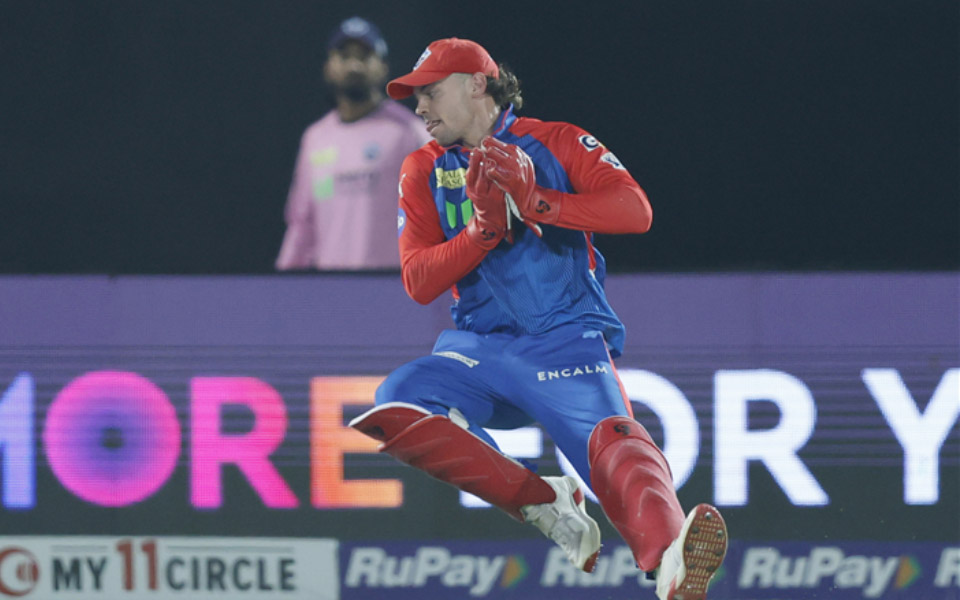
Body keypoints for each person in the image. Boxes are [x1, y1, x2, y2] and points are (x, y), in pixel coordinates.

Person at [349, 38, 727, 600]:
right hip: (478, 354)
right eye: (416, 96)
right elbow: (418, 281)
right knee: (398, 402)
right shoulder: (422, 167)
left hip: (564, 343)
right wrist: (482, 233)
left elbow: (636, 210)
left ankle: (671, 560)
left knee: (616, 447)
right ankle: (542, 503)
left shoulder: (556, 140)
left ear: (477, 84)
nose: (420, 107)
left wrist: (538, 203)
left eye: (431, 91)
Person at [276, 17, 431, 271]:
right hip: (332, 286)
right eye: (344, 56)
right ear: (328, 66)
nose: (354, 65)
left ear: (383, 67)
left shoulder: (411, 134)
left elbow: (444, 209)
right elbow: (302, 223)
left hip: (392, 282)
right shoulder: (315, 138)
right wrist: (284, 281)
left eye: (364, 56)